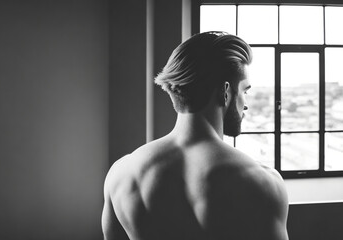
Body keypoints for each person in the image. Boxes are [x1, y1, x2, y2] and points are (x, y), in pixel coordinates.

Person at [101, 31, 289, 240]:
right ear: (225, 92)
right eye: (245, 90)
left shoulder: (121, 174)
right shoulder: (261, 181)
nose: (246, 104)